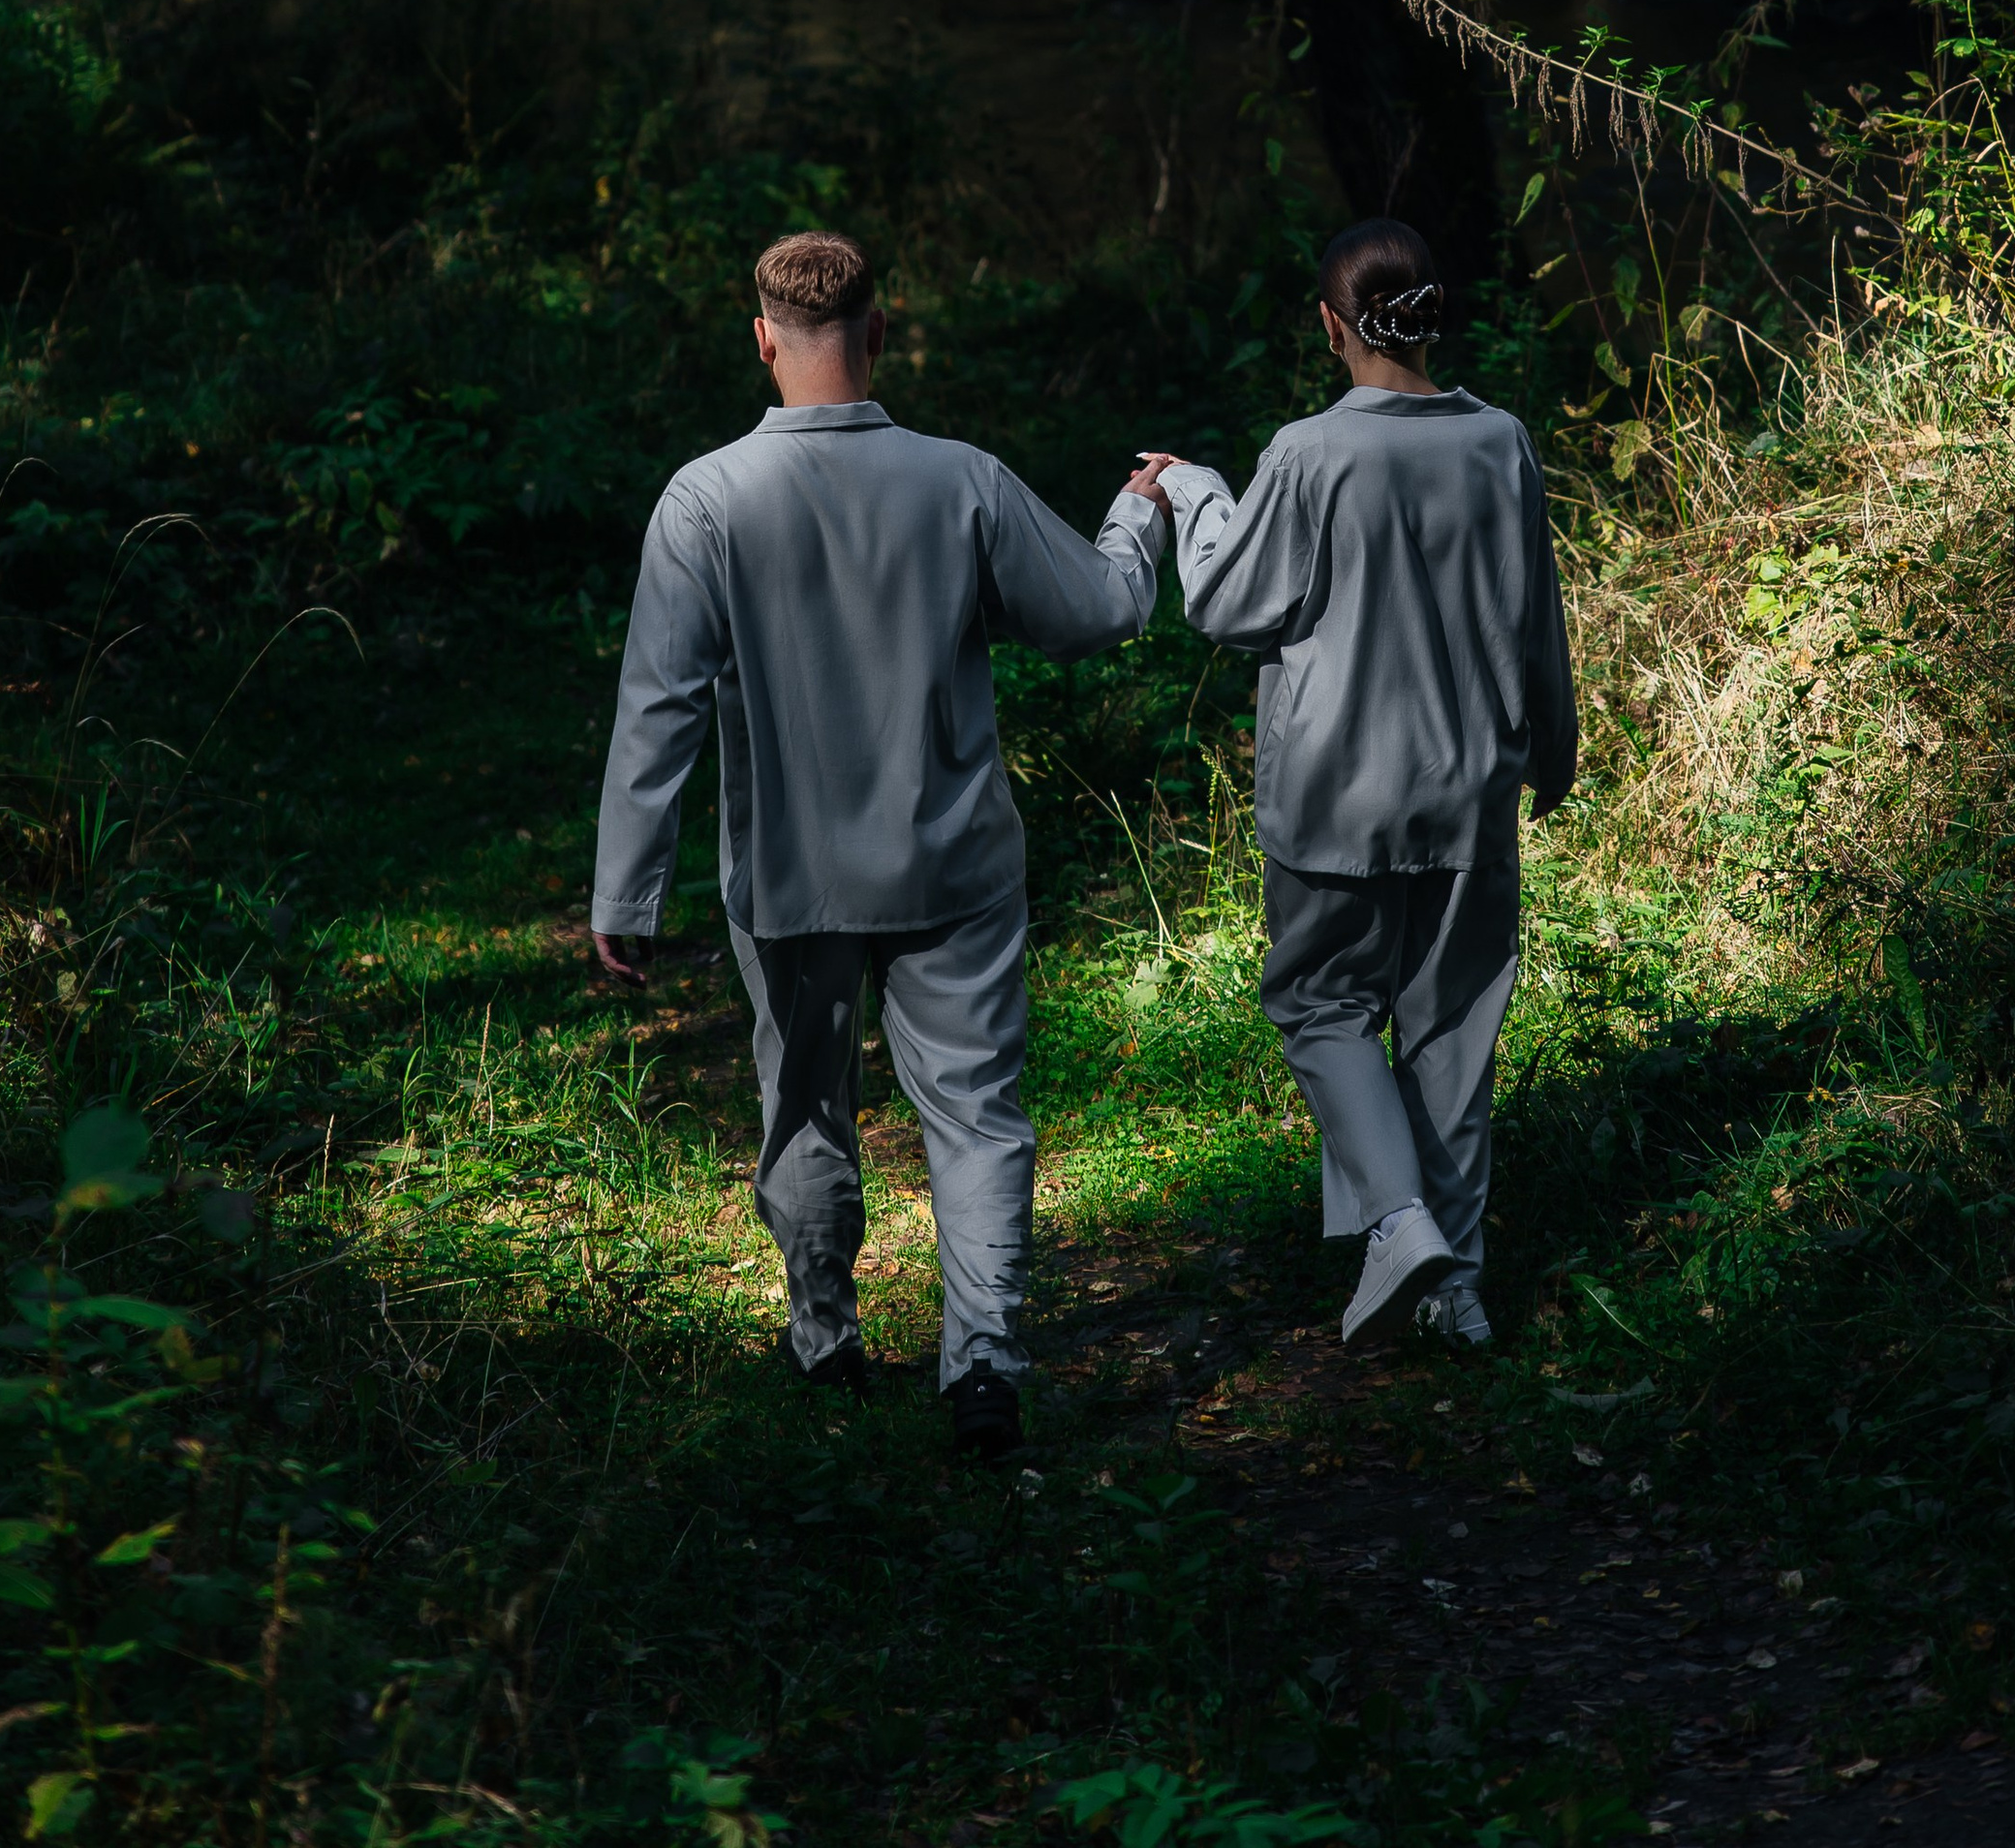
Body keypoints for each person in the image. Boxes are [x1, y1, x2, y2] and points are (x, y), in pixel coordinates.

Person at [589, 229, 1169, 1460]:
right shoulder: (959, 480)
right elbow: (1102, 609)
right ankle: (985, 1369)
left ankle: (825, 1338)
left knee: (803, 1108)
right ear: (882, 330)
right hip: (953, 865)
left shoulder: (706, 497)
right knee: (977, 1113)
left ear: (761, 337)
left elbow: (658, 706)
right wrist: (1137, 513)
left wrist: (626, 892)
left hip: (791, 878)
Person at [1138, 218, 1576, 1350]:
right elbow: (1538, 618)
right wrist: (1556, 748)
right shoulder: (1500, 440)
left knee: (1322, 1010)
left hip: (1335, 796)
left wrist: (1194, 495)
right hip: (1470, 788)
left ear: (1331, 325)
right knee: (1453, 1038)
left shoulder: (1310, 452)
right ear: (1432, 315)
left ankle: (1396, 1221)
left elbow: (1229, 605)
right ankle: (1455, 1290)